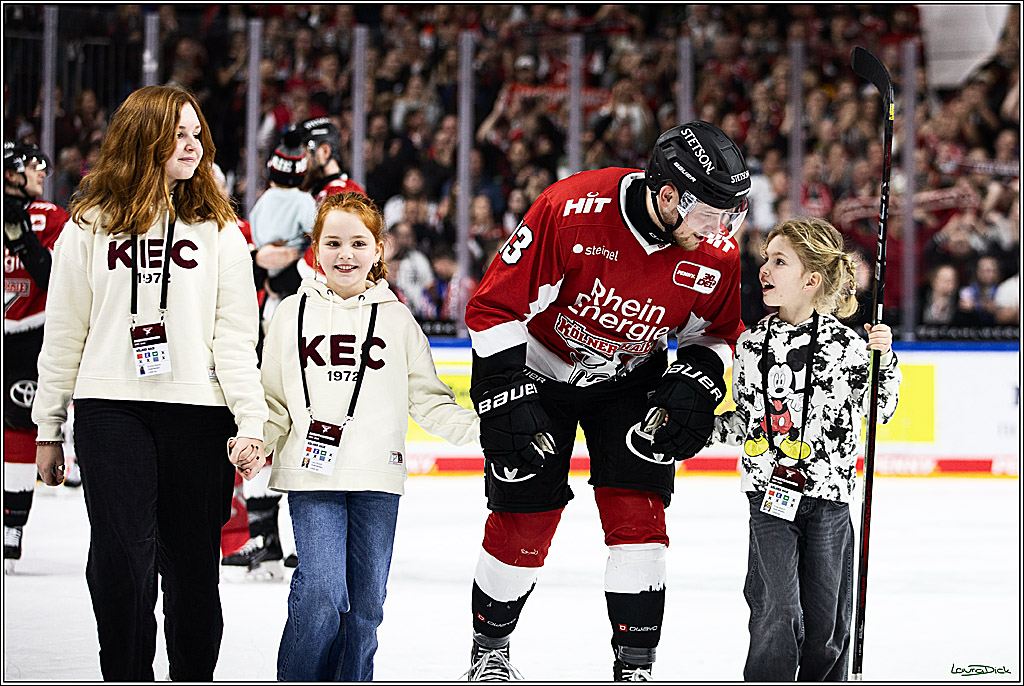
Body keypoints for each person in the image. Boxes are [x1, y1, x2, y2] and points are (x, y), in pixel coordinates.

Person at [462, 121, 751, 681]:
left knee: (639, 518)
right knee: (525, 515)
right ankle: (490, 650)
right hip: (540, 369)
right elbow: (494, 308)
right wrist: (499, 391)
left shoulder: (716, 253)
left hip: (630, 378)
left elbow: (715, 331)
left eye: (730, 215)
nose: (720, 230)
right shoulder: (569, 211)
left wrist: (696, 380)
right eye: (711, 214)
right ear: (668, 194)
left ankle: (636, 665)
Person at [31, 85, 268, 681]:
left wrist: (252, 420)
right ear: (144, 140)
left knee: (192, 566)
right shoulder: (88, 225)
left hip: (198, 410)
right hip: (111, 408)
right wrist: (49, 427)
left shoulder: (221, 229)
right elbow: (64, 332)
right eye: (177, 135)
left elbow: (237, 337)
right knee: (121, 558)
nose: (192, 147)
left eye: (196, 135)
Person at [258, 191, 479, 681]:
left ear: (378, 250)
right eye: (333, 242)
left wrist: (487, 432)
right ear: (314, 248)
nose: (345, 254)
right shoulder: (289, 315)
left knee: (365, 607)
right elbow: (271, 399)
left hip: (377, 478)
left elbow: (429, 400)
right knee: (320, 590)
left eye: (358, 243)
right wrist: (256, 439)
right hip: (311, 475)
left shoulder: (398, 319)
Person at [710, 216, 902, 681]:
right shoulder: (753, 344)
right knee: (778, 611)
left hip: (830, 502)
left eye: (780, 261)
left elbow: (880, 409)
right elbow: (747, 422)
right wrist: (696, 427)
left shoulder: (849, 346)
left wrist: (885, 359)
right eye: (765, 259)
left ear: (812, 280)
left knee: (827, 627)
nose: (765, 269)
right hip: (769, 498)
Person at [3, 141, 70, 572]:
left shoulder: (51, 217)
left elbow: (56, 278)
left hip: (30, 334)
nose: (43, 172)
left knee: (20, 423)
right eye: (34, 165)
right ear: (11, 171)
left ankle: (12, 523)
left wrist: (24, 241)